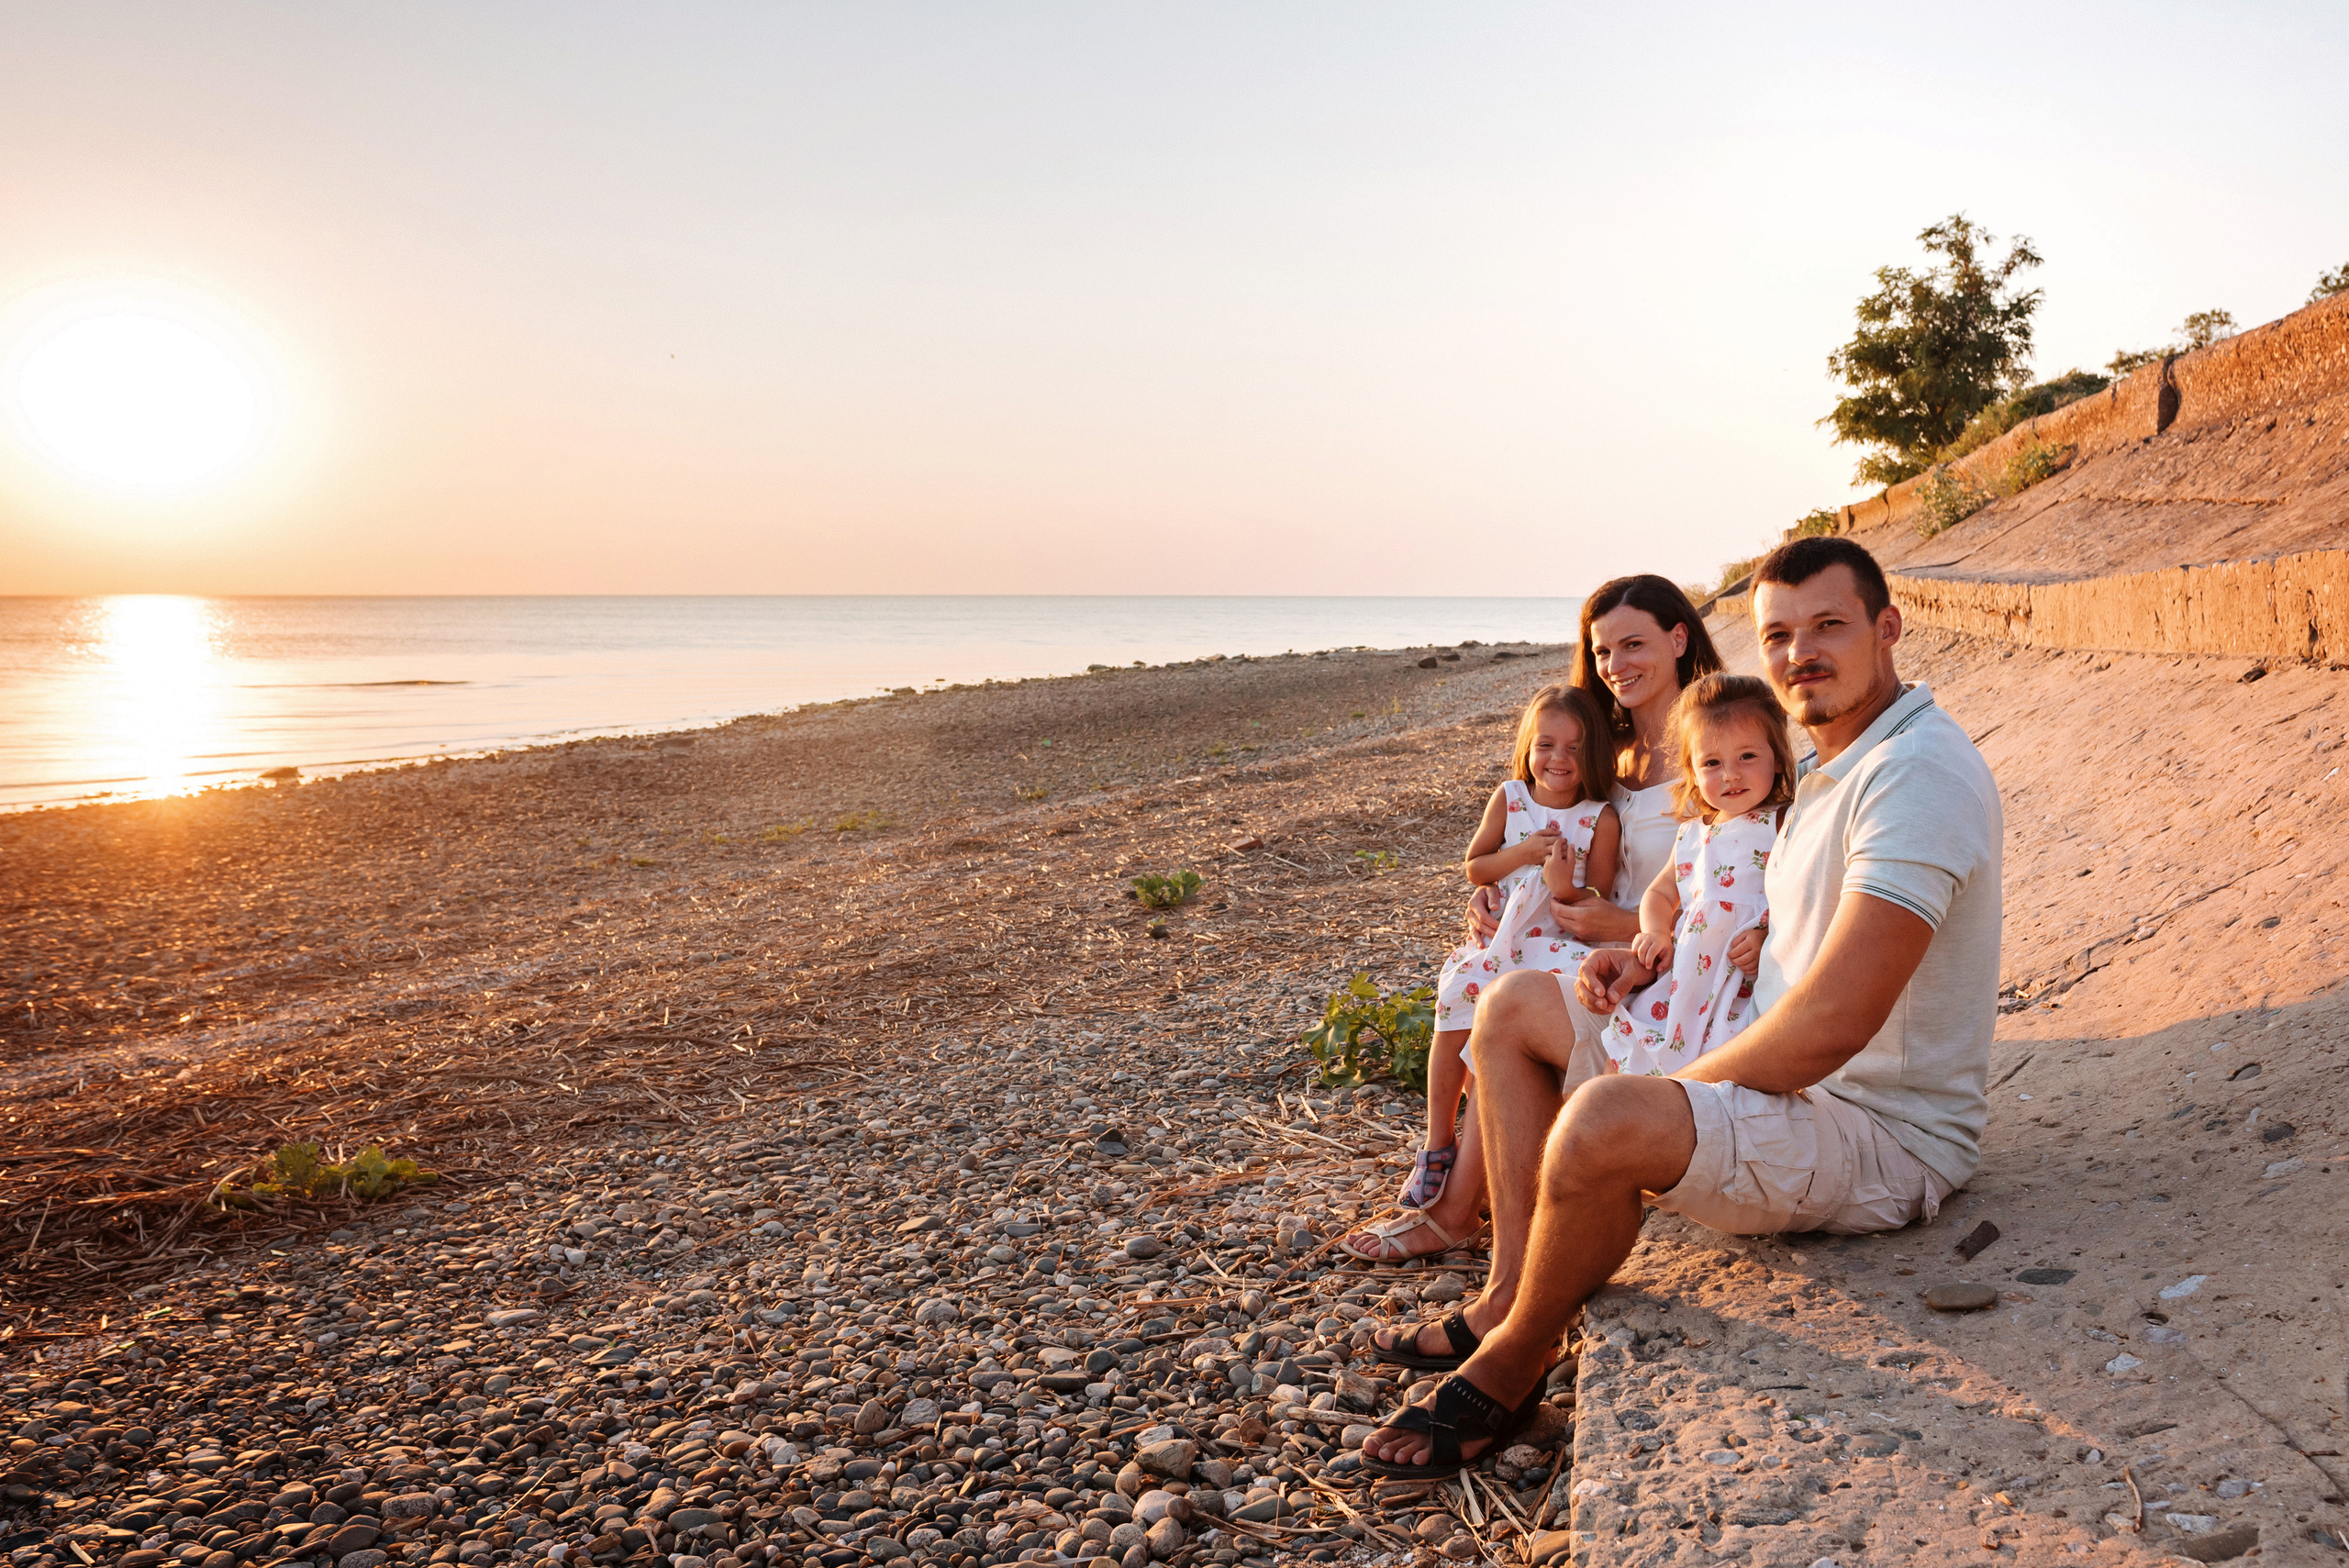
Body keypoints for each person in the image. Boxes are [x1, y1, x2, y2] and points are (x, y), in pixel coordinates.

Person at [1359, 536, 2001, 1478]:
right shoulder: (1825, 764)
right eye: (1778, 634)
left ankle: (1517, 1353)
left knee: (1607, 1117)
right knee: (1509, 1005)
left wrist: (1672, 1090)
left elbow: (1833, 1024)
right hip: (1764, 1052)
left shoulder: (1916, 778)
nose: (1799, 653)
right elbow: (1731, 906)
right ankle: (1506, 1290)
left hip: (1877, 1129)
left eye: (1828, 625)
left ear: (1888, 628)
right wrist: (1639, 958)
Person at [1342, 575, 1724, 1262]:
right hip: (1588, 954)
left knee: (1513, 1005)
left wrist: (1620, 926)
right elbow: (1545, 849)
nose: (1615, 665)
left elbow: (1734, 888)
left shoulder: (1718, 752)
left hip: (1666, 974)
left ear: (1678, 639)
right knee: (1499, 979)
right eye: (1602, 651)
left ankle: (1456, 1209)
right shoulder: (1604, 755)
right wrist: (1494, 897)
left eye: (1634, 644)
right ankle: (1480, 1179)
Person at [1401, 684, 1620, 1209]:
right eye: (1546, 745)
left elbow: (1601, 899)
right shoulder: (1511, 798)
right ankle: (1437, 1141)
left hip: (1559, 942)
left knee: (1510, 1024)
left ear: (1592, 753)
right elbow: (1475, 866)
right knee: (1456, 999)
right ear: (1528, 747)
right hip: (1503, 937)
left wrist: (1563, 886)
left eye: (1574, 748)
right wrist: (1521, 852)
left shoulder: (1599, 817)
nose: (1558, 759)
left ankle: (1495, 1157)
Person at [1598, 673, 1792, 1077]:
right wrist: (1655, 932)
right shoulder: (1691, 834)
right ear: (1692, 770)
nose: (1730, 775)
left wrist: (1767, 937)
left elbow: (1801, 897)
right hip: (1688, 977)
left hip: (1745, 981)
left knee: (1721, 1068)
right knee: (1641, 1061)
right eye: (1712, 763)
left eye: (1747, 757)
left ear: (1777, 757)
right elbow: (1659, 894)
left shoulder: (1782, 823)